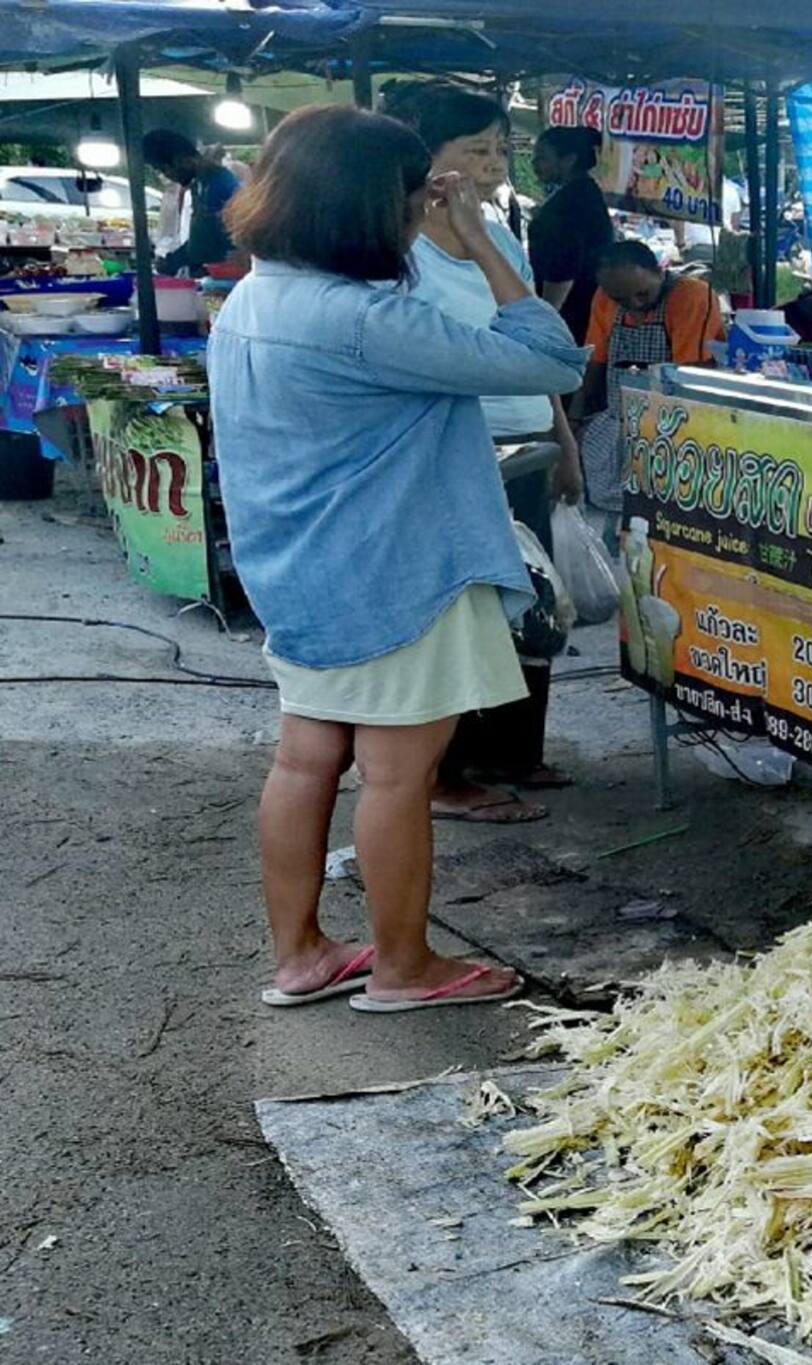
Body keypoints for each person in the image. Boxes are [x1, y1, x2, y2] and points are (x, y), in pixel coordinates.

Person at [209, 105, 585, 1011]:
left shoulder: (260, 293)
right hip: (395, 571)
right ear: (371, 203)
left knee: (305, 762)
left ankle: (300, 953)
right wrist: (479, 241)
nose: (428, 205)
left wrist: (437, 225)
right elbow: (551, 360)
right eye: (414, 193)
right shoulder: (361, 320)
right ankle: (405, 965)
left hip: (298, 570)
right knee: (397, 773)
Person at [387, 84, 587, 820]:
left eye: (500, 149)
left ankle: (514, 752)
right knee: (467, 608)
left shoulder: (500, 232)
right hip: (455, 447)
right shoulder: (399, 245)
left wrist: (563, 437)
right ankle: (449, 773)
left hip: (527, 438)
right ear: (426, 157)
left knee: (532, 601)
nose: (493, 164)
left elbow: (540, 340)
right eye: (475, 150)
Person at [572, 238, 725, 518]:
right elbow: (595, 362)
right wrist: (574, 421)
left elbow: (689, 377)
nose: (633, 305)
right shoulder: (605, 297)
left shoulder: (692, 297)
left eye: (642, 294)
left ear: (659, 271)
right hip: (618, 425)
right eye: (621, 299)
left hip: (678, 428)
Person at [528, 125, 614, 344]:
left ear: (569, 160)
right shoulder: (582, 193)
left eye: (542, 158)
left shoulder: (570, 205)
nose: (534, 164)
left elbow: (563, 267)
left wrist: (547, 319)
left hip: (571, 313)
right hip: (584, 307)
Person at [143, 130, 242, 275]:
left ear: (181, 160)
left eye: (164, 169)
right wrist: (173, 261)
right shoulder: (200, 185)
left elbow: (209, 244)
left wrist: (174, 261)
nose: (167, 175)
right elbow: (199, 241)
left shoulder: (222, 184)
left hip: (228, 276)